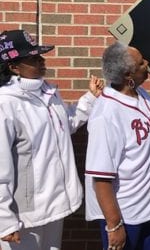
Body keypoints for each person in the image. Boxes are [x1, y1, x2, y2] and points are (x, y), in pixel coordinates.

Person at [0, 29, 103, 250]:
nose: (42, 61)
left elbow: (66, 124)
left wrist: (90, 99)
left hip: (56, 205)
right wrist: (4, 220)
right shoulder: (5, 104)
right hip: (25, 214)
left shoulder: (48, 92)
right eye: (34, 58)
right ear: (13, 66)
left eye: (41, 55)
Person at [84, 41, 150, 250]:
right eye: (141, 63)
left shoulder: (142, 96)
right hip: (126, 214)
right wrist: (114, 226)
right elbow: (101, 178)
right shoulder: (106, 114)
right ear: (128, 76)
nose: (147, 63)